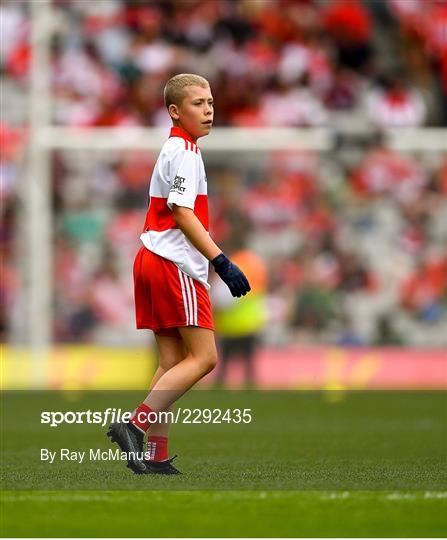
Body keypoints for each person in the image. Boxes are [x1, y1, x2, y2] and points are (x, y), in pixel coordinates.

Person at [107, 73, 251, 475]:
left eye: (210, 103)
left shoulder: (176, 148)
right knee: (204, 358)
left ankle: (153, 452)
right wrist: (221, 261)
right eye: (197, 104)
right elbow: (181, 211)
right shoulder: (184, 150)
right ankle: (134, 424)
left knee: (172, 361)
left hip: (151, 256)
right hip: (174, 262)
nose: (208, 110)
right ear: (174, 110)